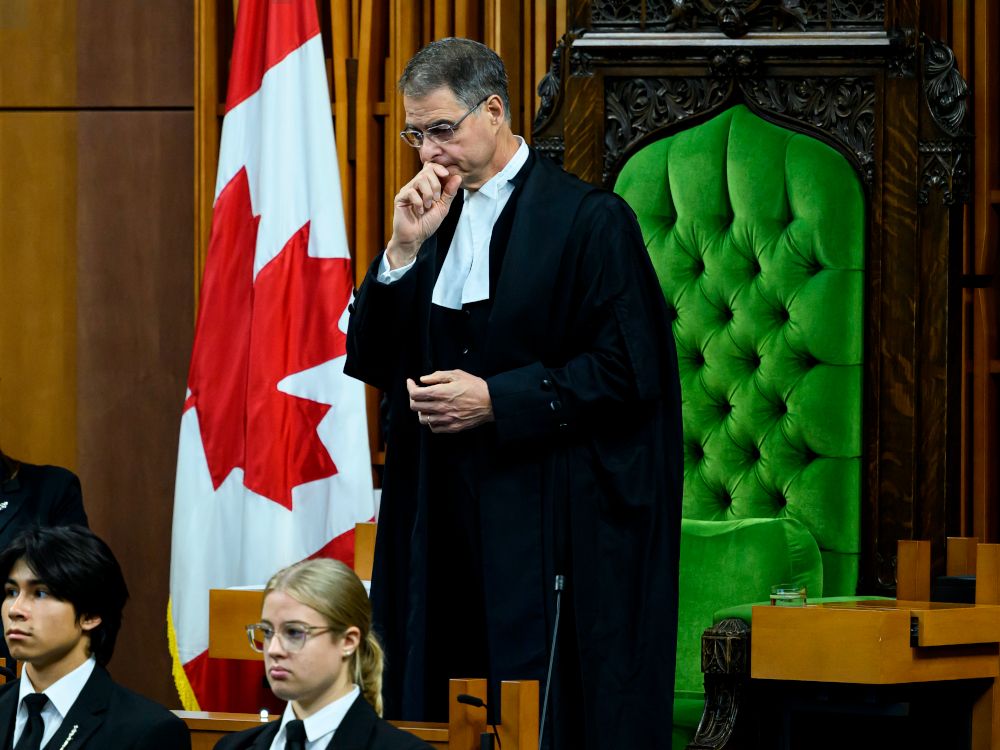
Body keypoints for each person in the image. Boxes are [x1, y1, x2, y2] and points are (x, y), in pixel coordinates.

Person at [345, 37, 683, 750]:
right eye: (415, 133)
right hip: (439, 513)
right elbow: (373, 359)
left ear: (493, 111)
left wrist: (499, 399)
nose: (428, 153)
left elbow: (630, 372)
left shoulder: (589, 220)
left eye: (443, 129)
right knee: (435, 680)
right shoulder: (429, 218)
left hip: (547, 513)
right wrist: (402, 252)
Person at [0, 525, 190, 749]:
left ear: (90, 614)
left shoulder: (148, 731)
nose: (15, 609)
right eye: (11, 592)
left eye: (40, 593)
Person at [215, 559, 430, 750]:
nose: (273, 650)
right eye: (268, 632)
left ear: (348, 641)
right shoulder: (233, 746)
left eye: (294, 632)